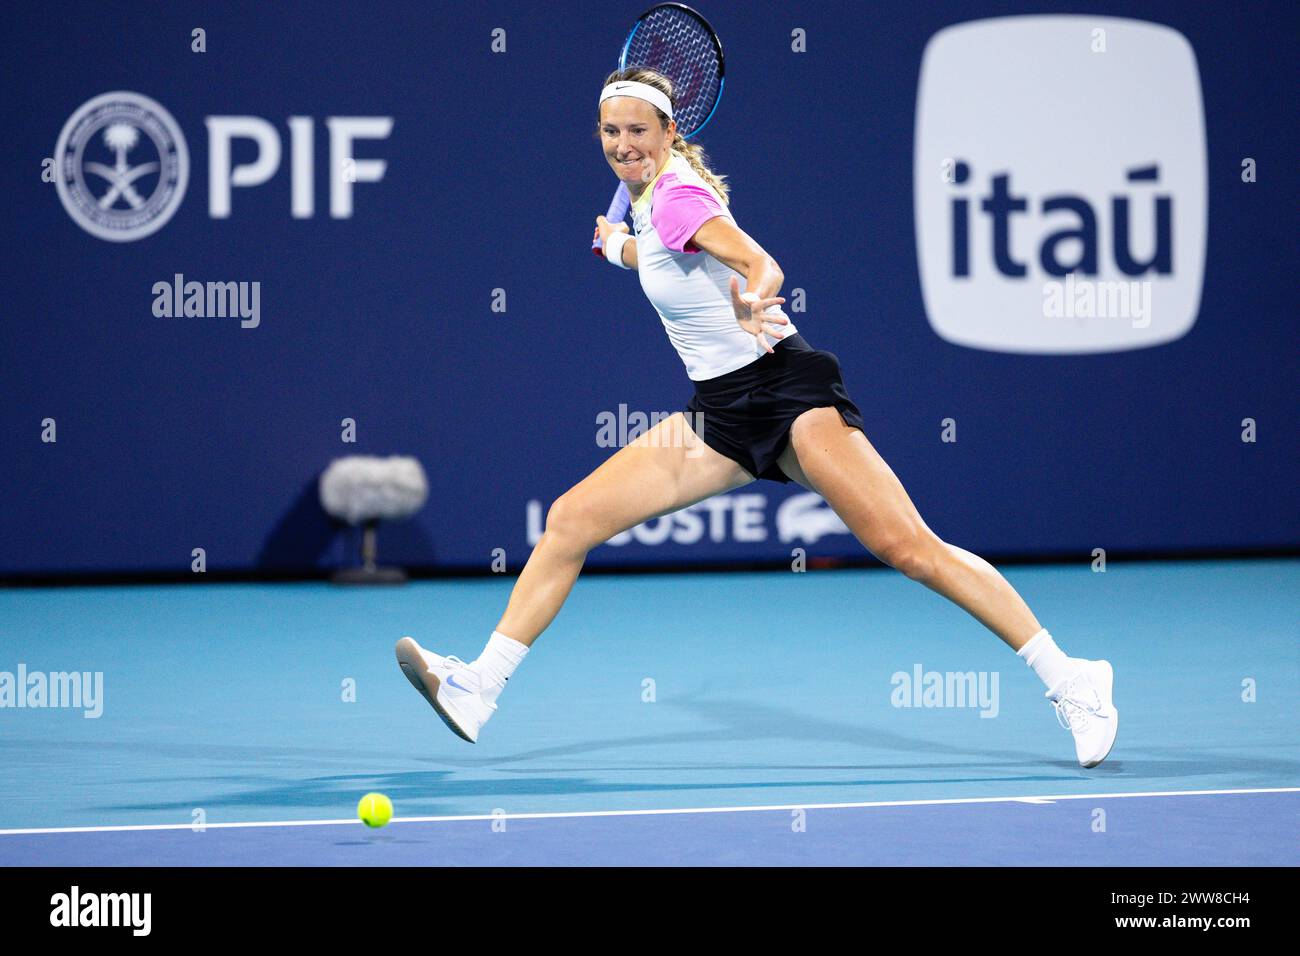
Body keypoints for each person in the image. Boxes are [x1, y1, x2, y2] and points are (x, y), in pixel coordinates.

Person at [396, 67, 1118, 767]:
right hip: (720, 415)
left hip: (785, 392)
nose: (624, 146)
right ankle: (478, 688)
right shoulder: (649, 202)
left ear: (672, 132)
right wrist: (616, 246)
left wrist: (753, 293)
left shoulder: (677, 197)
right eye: (611, 132)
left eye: (639, 132)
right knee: (572, 520)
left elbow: (759, 262)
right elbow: (653, 254)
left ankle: (1072, 678)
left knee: (909, 550)